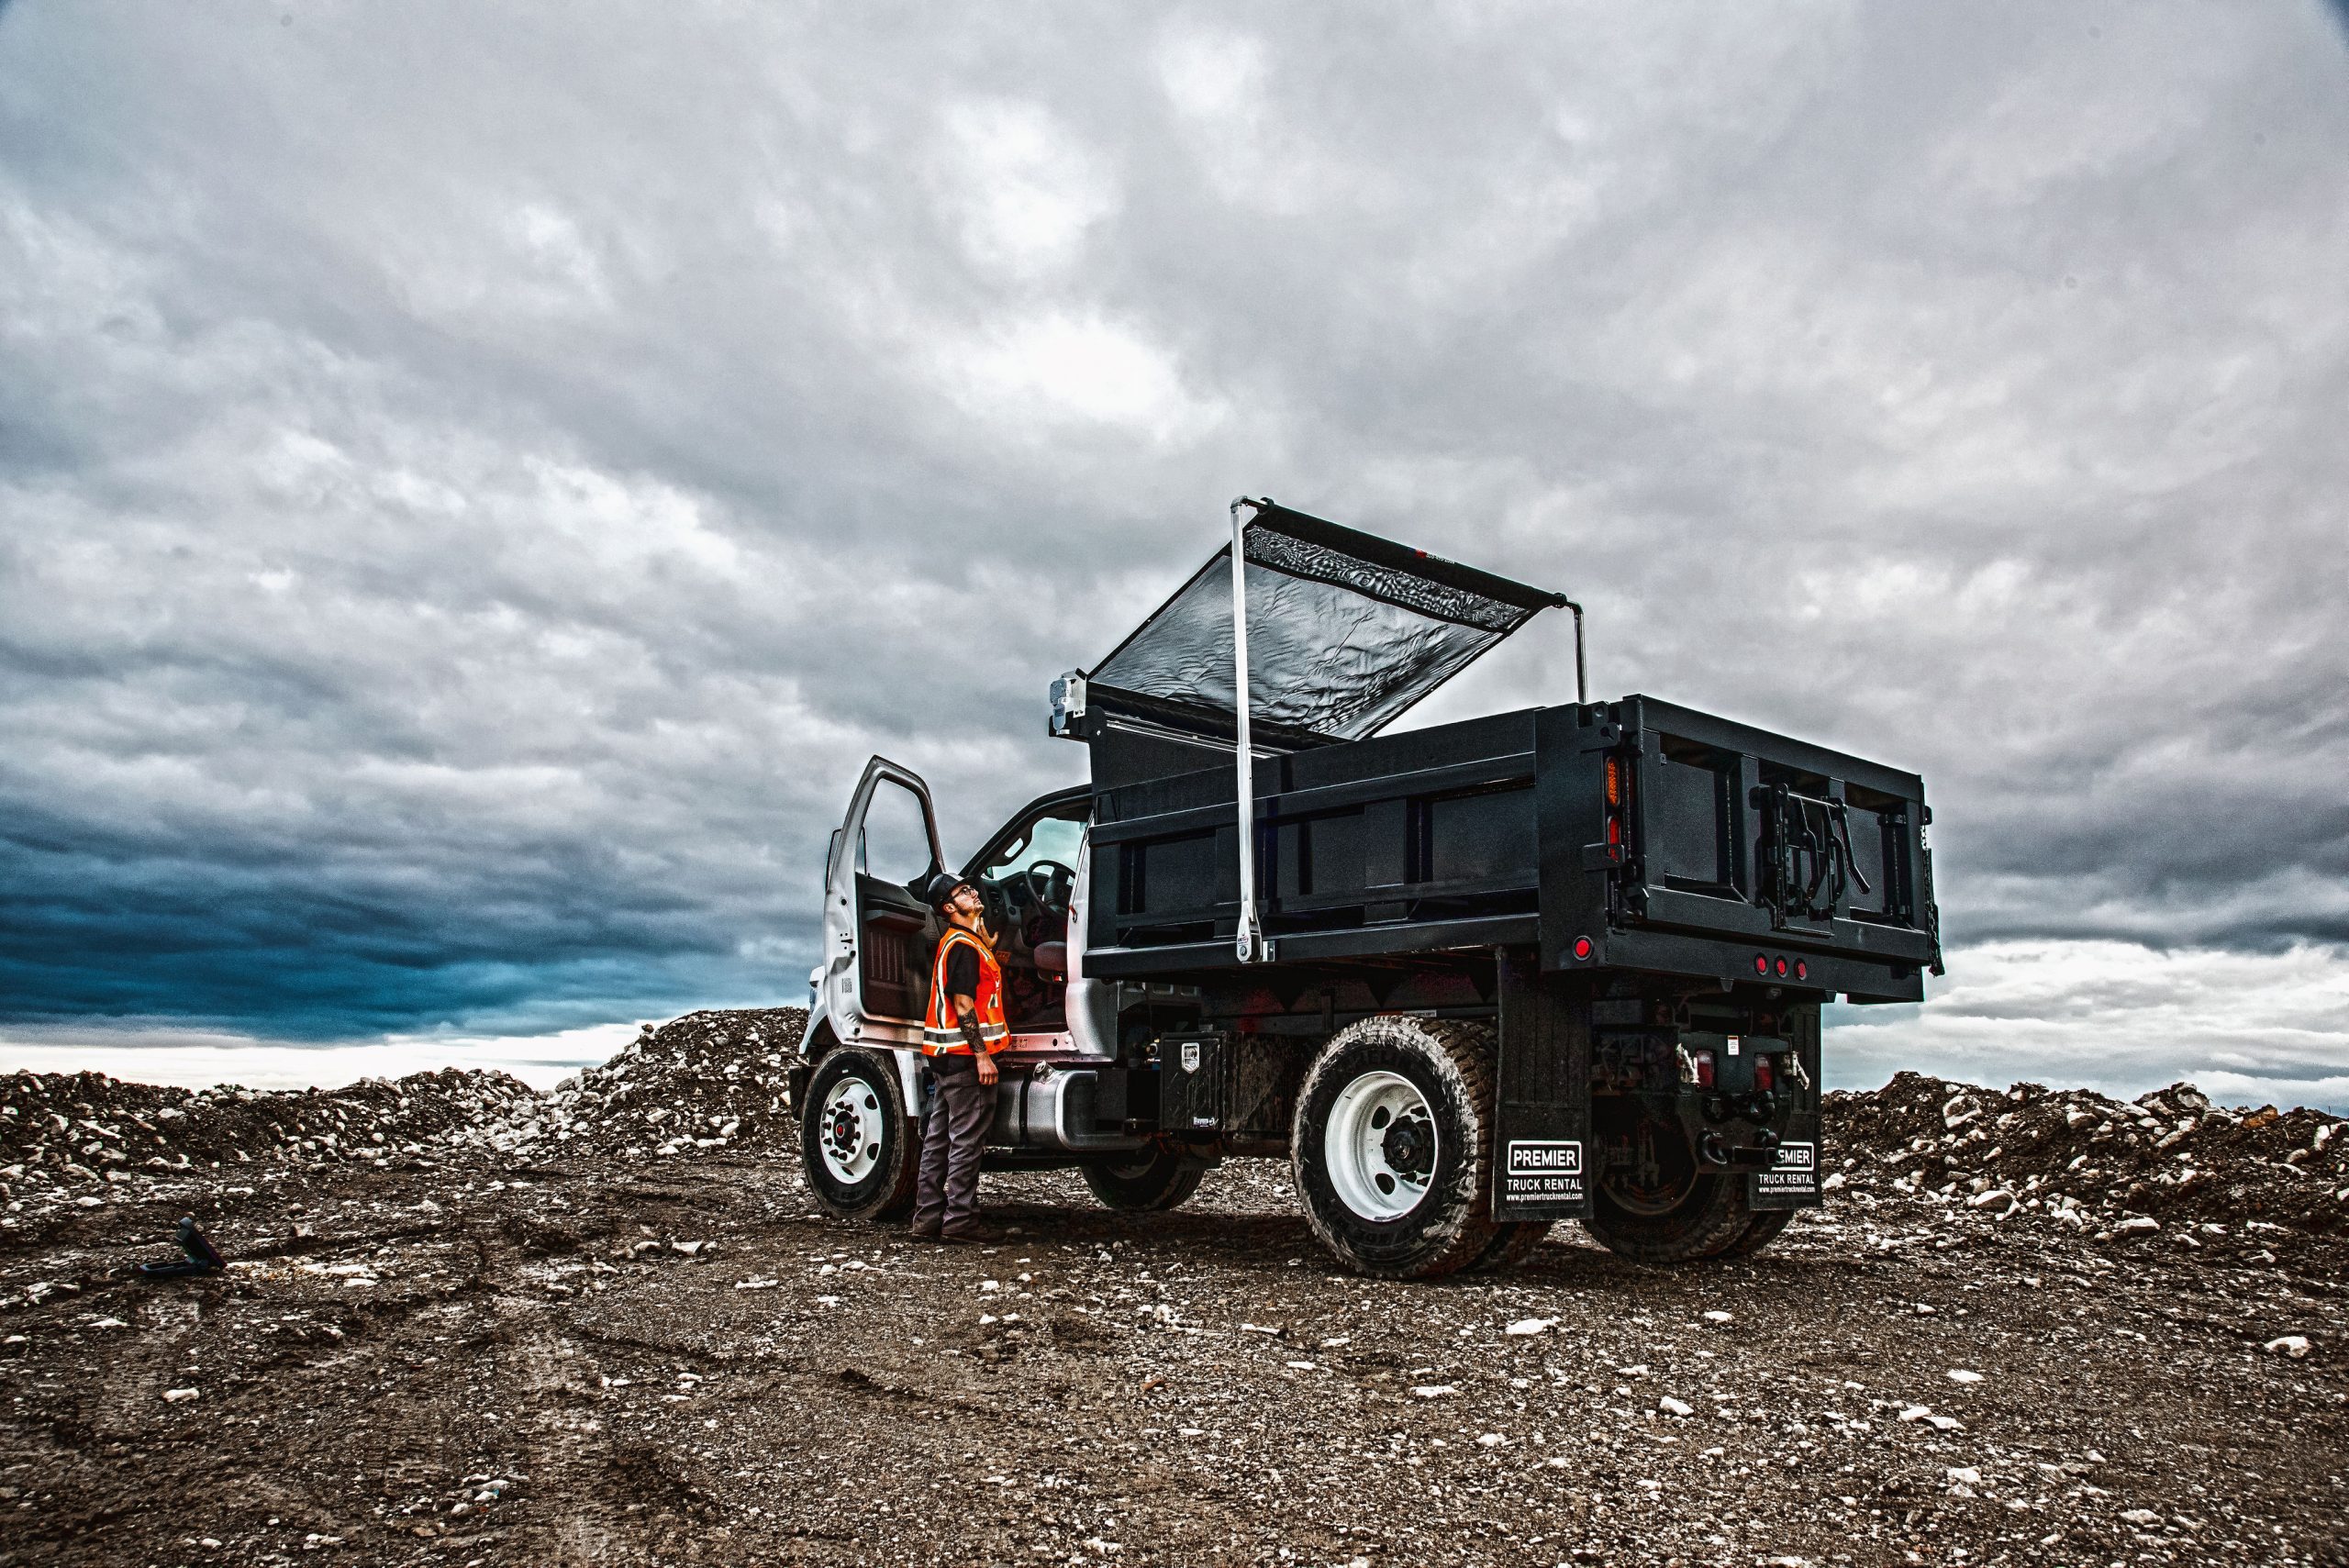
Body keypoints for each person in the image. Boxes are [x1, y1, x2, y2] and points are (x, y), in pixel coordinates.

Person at [910, 873, 1008, 1242]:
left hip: (945, 1057)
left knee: (938, 1141)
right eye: (963, 892)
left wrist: (985, 938)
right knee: (966, 1141)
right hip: (966, 1058)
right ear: (949, 908)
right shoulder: (963, 946)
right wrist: (982, 1056)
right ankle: (961, 1222)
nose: (972, 892)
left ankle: (927, 1219)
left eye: (971, 888)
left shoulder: (962, 942)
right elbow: (963, 1004)